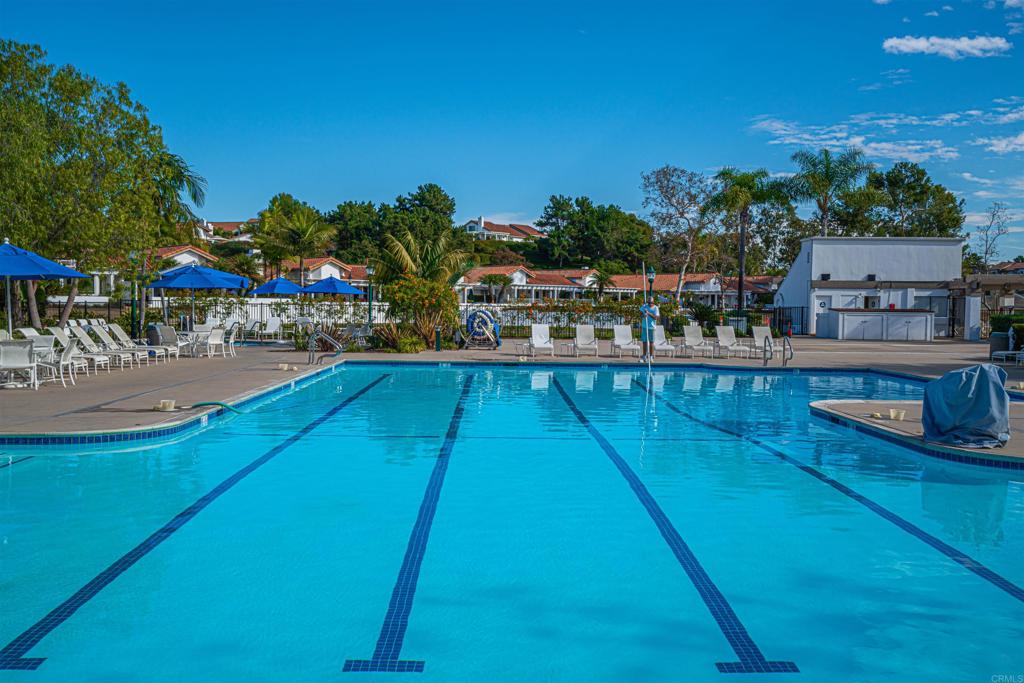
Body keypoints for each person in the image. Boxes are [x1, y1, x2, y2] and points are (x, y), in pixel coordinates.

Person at [639, 296, 660, 361]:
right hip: (645, 326)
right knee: (644, 342)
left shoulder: (656, 308)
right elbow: (640, 314)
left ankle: (651, 356)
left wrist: (648, 313)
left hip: (652, 327)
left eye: (651, 302)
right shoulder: (644, 306)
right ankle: (644, 356)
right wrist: (643, 315)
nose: (650, 304)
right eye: (649, 302)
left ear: (653, 302)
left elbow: (656, 317)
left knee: (651, 342)